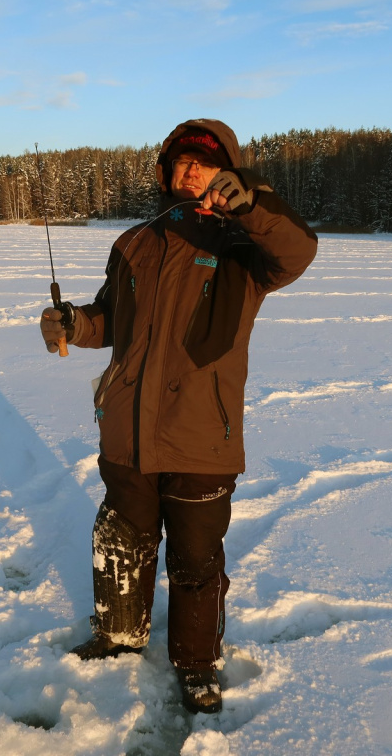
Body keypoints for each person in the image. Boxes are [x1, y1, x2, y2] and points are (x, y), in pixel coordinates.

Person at [40, 118, 318, 714]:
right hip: (127, 432)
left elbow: (299, 250)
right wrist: (72, 325)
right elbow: (114, 319)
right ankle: (117, 636)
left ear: (227, 173)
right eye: (181, 163)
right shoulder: (135, 243)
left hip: (201, 437)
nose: (190, 172)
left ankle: (196, 663)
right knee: (121, 539)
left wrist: (254, 204)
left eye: (204, 164)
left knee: (196, 560)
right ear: (166, 172)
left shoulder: (245, 247)